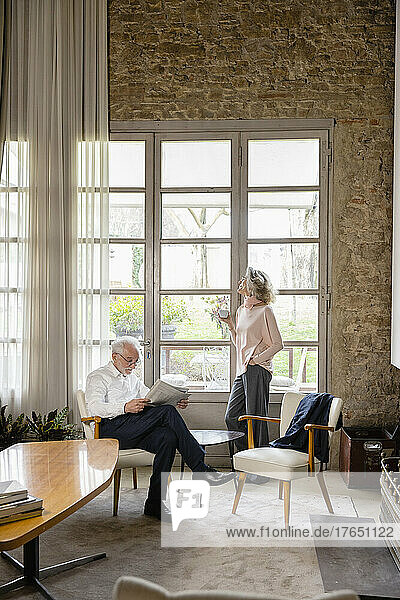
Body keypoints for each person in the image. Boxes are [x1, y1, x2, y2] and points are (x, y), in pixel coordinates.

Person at [85, 336, 234, 521]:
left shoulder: (132, 378)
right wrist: (124, 407)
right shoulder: (98, 376)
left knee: (168, 437)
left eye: (136, 362)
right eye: (129, 361)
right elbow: (94, 408)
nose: (133, 366)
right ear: (115, 356)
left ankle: (154, 504)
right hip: (110, 430)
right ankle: (199, 466)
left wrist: (173, 400)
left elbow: (150, 398)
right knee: (167, 413)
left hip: (134, 427)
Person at [220, 267, 283, 460]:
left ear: (252, 286)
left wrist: (256, 360)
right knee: (232, 417)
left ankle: (259, 466)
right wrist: (231, 325)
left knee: (256, 420)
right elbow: (240, 344)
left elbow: (278, 344)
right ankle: (245, 457)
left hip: (257, 370)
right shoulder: (241, 311)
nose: (240, 282)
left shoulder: (265, 311)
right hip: (244, 370)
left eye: (244, 279)